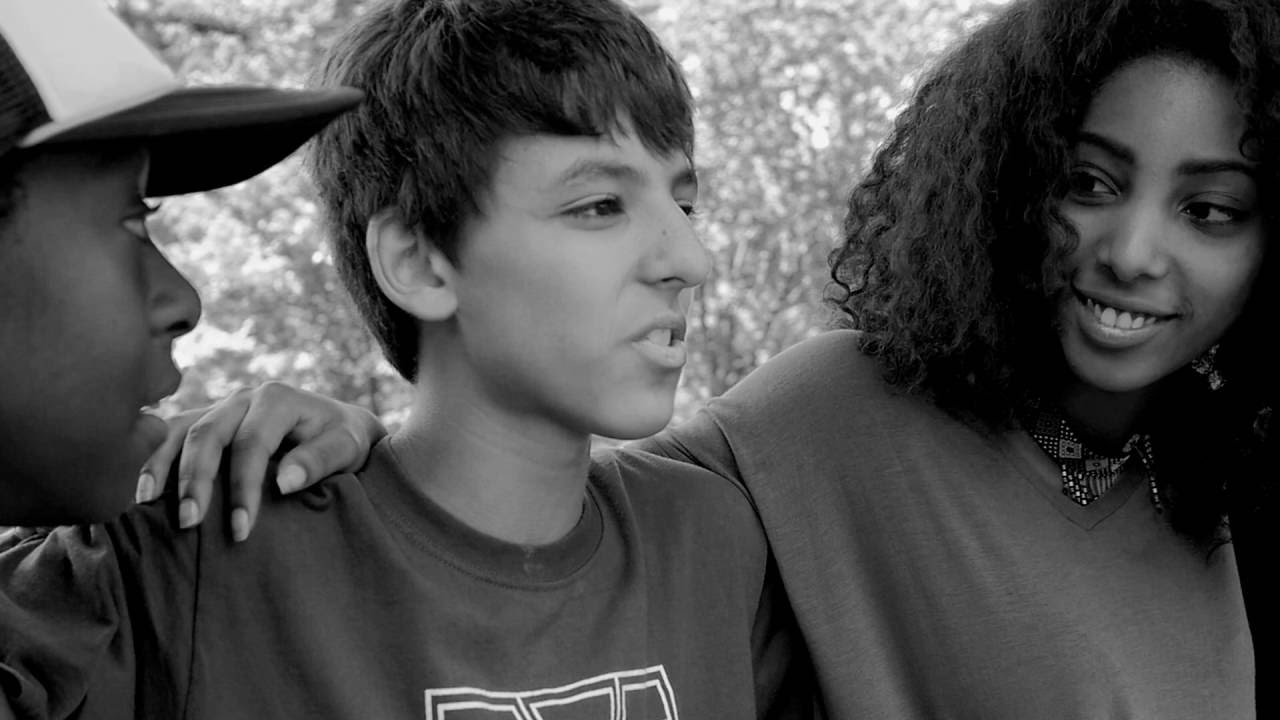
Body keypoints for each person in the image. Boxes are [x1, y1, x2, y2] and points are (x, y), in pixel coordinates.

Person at [170, 0, 1280, 716]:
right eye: (1087, 182)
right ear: (1011, 176)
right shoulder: (839, 416)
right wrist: (355, 441)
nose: (1133, 252)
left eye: (1212, 209)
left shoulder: (1226, 485)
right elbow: (533, 512)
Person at [1, 0, 814, 717]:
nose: (690, 259)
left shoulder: (717, 541)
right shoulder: (193, 546)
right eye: (600, 205)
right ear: (420, 263)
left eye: (685, 204)